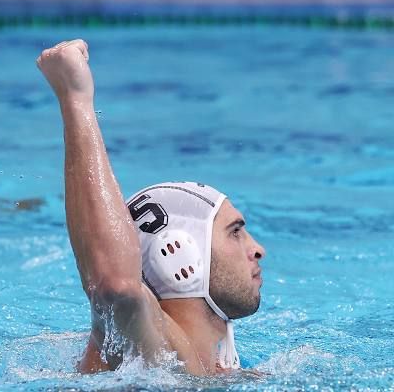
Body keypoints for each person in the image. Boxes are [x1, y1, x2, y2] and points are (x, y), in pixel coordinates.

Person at [36, 39, 266, 375]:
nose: (258, 249)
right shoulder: (152, 350)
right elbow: (115, 286)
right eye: (235, 232)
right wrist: (75, 99)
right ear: (179, 255)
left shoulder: (211, 368)